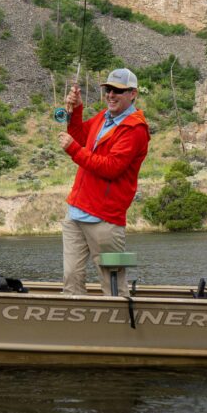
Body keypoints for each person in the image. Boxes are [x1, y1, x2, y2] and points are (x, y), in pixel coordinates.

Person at [57, 67, 150, 296]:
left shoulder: (135, 129)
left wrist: (73, 150)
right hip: (75, 213)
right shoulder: (103, 117)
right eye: (108, 89)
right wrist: (77, 109)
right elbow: (80, 136)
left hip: (105, 220)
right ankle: (75, 318)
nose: (111, 95)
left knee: (113, 286)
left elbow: (111, 168)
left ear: (133, 94)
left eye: (118, 90)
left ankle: (120, 320)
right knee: (71, 280)